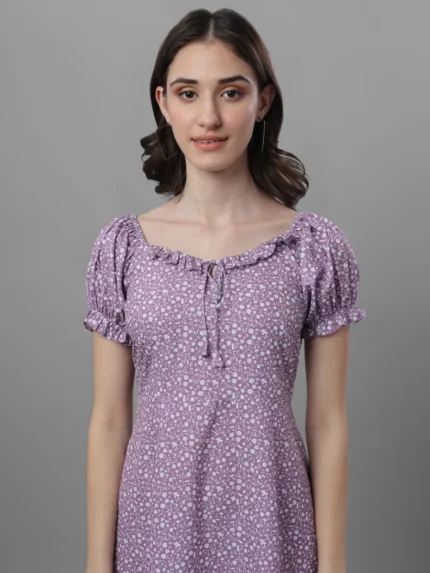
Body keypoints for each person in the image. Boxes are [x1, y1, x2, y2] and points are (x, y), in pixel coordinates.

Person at [83, 8, 366, 573]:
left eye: (231, 93)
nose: (208, 117)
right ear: (163, 103)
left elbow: (327, 422)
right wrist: (96, 565)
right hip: (152, 536)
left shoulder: (311, 248)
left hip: (274, 531)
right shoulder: (123, 248)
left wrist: (332, 565)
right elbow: (110, 419)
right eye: (188, 93)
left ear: (263, 102)